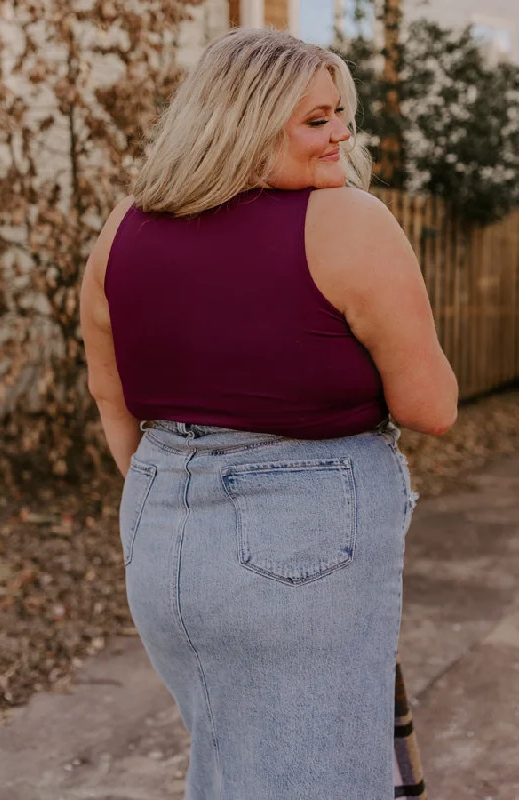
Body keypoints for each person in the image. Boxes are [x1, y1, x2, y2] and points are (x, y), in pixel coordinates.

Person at [80, 27, 456, 799]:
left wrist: (188, 478)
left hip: (160, 533)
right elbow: (431, 406)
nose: (341, 135)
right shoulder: (347, 221)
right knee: (317, 777)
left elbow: (113, 400)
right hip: (302, 536)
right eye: (315, 121)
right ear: (243, 122)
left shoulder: (122, 228)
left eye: (338, 114)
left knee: (226, 758)